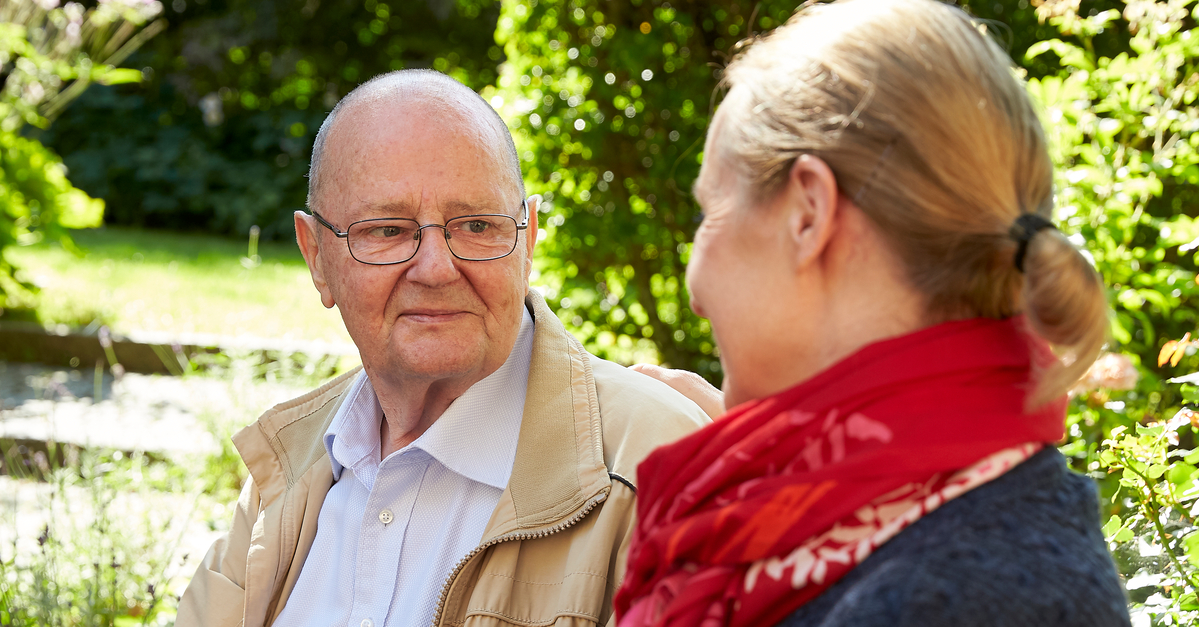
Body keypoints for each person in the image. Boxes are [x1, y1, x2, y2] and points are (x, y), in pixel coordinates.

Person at [614, 0, 1131, 625]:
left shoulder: (952, 598)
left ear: (808, 214)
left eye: (711, 213)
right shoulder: (973, 517)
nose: (695, 283)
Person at [175, 70, 710, 627]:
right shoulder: (290, 461)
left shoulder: (657, 469)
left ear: (527, 243)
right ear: (316, 257)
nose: (435, 269)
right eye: (387, 230)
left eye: (476, 224)